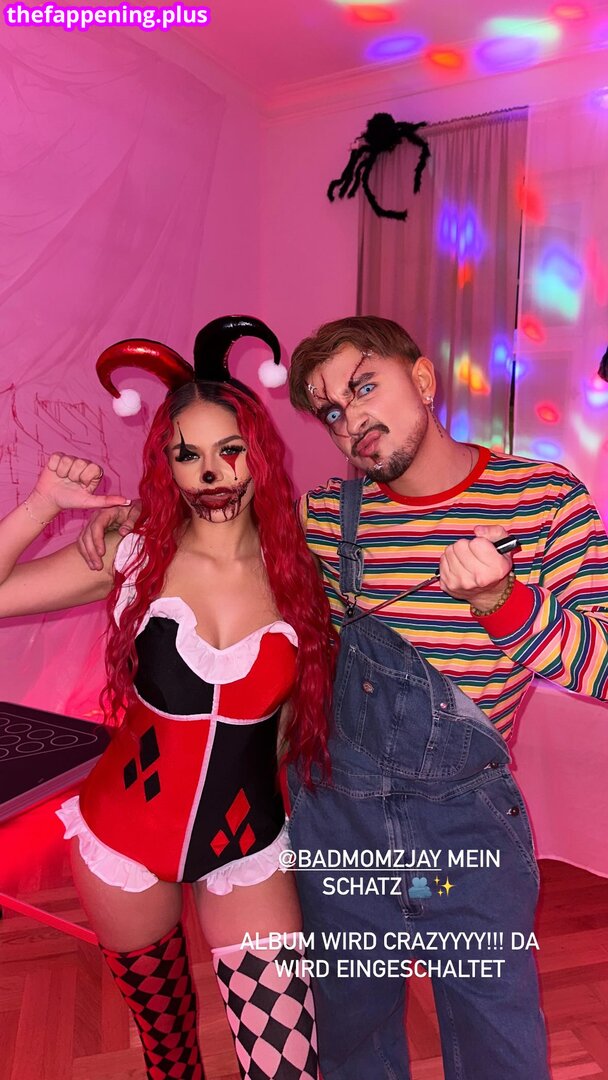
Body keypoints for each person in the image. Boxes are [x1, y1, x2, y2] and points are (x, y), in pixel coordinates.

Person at [78, 315, 608, 1079]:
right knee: (353, 1040)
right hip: (337, 821)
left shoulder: (543, 500)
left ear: (421, 379)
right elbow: (224, 544)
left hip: (462, 828)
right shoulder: (327, 517)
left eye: (364, 387)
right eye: (331, 410)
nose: (351, 419)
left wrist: (504, 603)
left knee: (499, 1042)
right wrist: (139, 518)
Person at [0, 316, 333, 1080]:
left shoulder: (302, 569)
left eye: (230, 450)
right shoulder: (133, 555)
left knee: (288, 1066)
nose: (213, 474)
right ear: (167, 466)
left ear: (260, 453)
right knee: (171, 1059)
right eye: (189, 455)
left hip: (246, 849)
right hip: (124, 845)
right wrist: (44, 504)